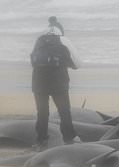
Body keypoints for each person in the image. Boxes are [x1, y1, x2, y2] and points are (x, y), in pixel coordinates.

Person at [30, 17, 80, 151]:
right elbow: (77, 64)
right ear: (61, 31)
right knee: (64, 111)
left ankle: (41, 141)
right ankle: (69, 139)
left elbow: (33, 61)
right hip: (59, 83)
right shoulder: (64, 40)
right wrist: (65, 63)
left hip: (39, 82)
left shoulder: (39, 40)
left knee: (42, 112)